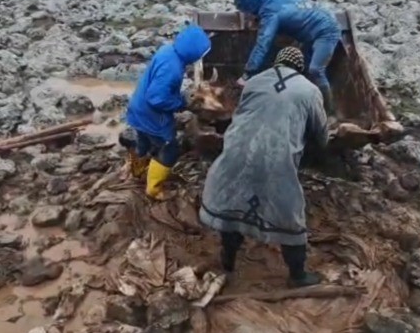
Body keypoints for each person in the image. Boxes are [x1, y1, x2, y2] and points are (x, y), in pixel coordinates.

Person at [199, 46, 329, 287]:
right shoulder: (310, 91)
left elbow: (243, 112)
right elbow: (321, 134)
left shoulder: (255, 81)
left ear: (277, 63)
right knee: (288, 213)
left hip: (238, 150)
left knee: (234, 204)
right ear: (300, 68)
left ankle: (228, 261)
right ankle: (298, 276)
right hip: (276, 158)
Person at [126, 23, 211, 200]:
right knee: (169, 148)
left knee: (143, 142)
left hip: (138, 106)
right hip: (152, 115)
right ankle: (154, 189)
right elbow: (157, 98)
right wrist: (182, 101)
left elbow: (155, 89)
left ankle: (138, 171)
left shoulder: (167, 51)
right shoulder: (173, 68)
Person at [234, 0, 341, 115]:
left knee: (315, 69)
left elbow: (263, 44)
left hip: (327, 30)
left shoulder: (270, 14)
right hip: (318, 17)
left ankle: (329, 113)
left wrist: (248, 74)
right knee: (303, 67)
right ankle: (307, 102)